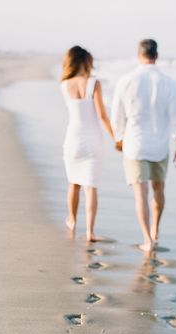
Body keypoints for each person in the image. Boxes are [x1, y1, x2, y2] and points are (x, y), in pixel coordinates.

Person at [111, 39, 176, 252]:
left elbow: (117, 114)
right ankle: (155, 230)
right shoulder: (169, 82)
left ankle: (147, 239)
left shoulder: (126, 80)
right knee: (159, 188)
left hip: (135, 145)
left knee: (140, 194)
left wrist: (119, 138)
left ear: (138, 55)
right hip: (160, 145)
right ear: (157, 55)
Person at [60, 46, 114, 242]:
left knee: (73, 182)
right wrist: (116, 137)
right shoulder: (93, 83)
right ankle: (90, 231)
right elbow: (102, 115)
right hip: (93, 141)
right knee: (91, 187)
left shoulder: (64, 85)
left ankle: (72, 220)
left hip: (73, 139)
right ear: (85, 61)